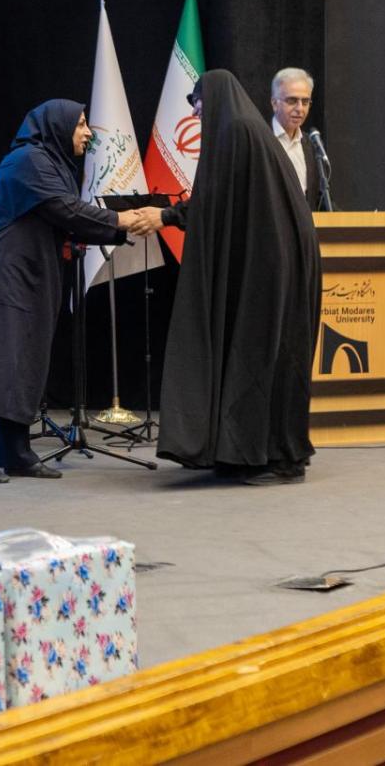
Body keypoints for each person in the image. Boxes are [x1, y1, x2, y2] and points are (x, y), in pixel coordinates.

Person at [0, 100, 163, 483]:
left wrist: (117, 227)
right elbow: (66, 210)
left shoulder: (53, 163)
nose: (88, 132)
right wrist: (121, 220)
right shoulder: (29, 160)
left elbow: (68, 216)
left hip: (31, 274)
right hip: (1, 274)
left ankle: (15, 451)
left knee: (25, 362)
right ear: (56, 126)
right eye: (80, 124)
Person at [158, 69, 321, 484]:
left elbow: (214, 199)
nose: (196, 114)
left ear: (214, 98)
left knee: (266, 361)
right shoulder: (247, 131)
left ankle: (279, 459)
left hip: (273, 272)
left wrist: (166, 216)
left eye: (198, 104)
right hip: (272, 266)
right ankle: (244, 453)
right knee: (262, 359)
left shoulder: (238, 133)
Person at [269, 67, 327, 210]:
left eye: (305, 102)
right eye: (292, 101)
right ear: (275, 103)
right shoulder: (261, 141)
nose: (300, 108)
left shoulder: (311, 145)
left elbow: (320, 201)